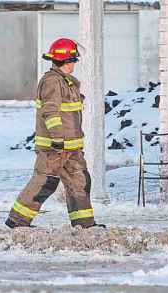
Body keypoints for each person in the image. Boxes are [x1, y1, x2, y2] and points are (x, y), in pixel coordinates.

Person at [6, 38, 102, 229]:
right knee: (45, 182)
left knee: (80, 182)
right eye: (74, 59)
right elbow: (51, 112)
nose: (76, 62)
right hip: (55, 148)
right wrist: (57, 139)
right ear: (68, 60)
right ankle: (18, 221)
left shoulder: (66, 82)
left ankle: (84, 225)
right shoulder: (52, 82)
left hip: (72, 148)